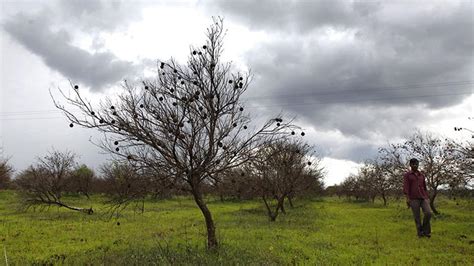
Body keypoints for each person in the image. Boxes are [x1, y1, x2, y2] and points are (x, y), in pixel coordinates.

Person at [403, 158, 432, 238]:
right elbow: (406, 187)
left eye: (416, 164)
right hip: (413, 198)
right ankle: (420, 233)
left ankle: (426, 231)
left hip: (423, 197)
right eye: (413, 164)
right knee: (417, 217)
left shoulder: (421, 175)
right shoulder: (407, 175)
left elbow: (424, 187)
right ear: (410, 165)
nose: (415, 165)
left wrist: (427, 197)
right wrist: (407, 198)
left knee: (428, 213)